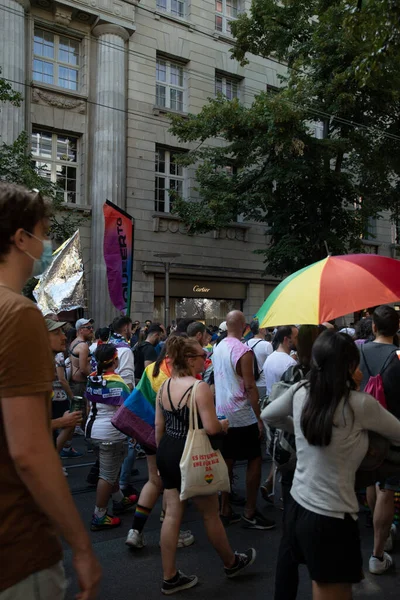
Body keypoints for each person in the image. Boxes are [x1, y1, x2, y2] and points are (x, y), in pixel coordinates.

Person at [0, 182, 100, 599]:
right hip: (16, 545)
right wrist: (81, 545)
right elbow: (29, 451)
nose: (47, 244)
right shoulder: (19, 314)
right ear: (21, 238)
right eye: (43, 231)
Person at [262, 330, 400, 600]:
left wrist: (300, 429)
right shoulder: (359, 404)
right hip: (332, 519)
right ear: (350, 366)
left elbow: (269, 414)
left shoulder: (302, 391)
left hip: (298, 508)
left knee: (320, 585)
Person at [155, 335, 257, 594]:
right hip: (191, 453)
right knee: (210, 513)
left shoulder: (165, 385)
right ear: (190, 360)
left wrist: (160, 458)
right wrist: (223, 425)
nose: (206, 359)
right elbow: (211, 427)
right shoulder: (198, 388)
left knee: (172, 514)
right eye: (202, 356)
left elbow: (159, 427)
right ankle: (231, 562)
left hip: (168, 449)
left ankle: (169, 576)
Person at [126, 342, 195, 550]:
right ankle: (172, 531)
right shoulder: (177, 377)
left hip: (145, 431)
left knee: (153, 481)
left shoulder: (151, 369)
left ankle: (135, 531)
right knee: (170, 486)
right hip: (169, 437)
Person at [212, 310, 275, 529]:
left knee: (227, 461)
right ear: (244, 326)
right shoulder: (244, 351)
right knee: (255, 459)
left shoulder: (218, 347)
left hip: (222, 413)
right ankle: (249, 511)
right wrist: (259, 418)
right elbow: (250, 387)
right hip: (241, 415)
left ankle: (225, 508)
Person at [359, 304, 400, 574]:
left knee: (372, 479)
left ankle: (380, 532)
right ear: (397, 329)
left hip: (363, 427)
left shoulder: (357, 350)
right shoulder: (398, 356)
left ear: (373, 326)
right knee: (388, 487)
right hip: (393, 429)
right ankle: (377, 552)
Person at [86, 343, 138, 530]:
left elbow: (87, 404)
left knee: (110, 468)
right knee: (107, 475)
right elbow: (126, 410)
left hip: (92, 431)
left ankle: (119, 499)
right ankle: (99, 515)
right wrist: (133, 432)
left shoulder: (92, 378)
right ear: (115, 361)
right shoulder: (118, 381)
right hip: (111, 433)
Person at [46, 318, 83, 465]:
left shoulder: (48, 367)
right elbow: (24, 427)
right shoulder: (33, 373)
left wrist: (67, 423)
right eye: (56, 333)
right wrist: (62, 421)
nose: (64, 337)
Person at [263, 325, 299, 396]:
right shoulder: (290, 363)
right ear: (286, 339)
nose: (298, 340)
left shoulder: (269, 358)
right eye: (296, 338)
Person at [245, 319, 273, 400]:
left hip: (250, 382)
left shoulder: (245, 344)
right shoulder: (267, 345)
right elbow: (270, 365)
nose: (266, 329)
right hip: (263, 383)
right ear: (260, 329)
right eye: (264, 327)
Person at [69, 317, 94, 397]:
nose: (92, 330)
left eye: (92, 327)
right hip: (80, 385)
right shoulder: (83, 346)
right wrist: (93, 378)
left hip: (76, 383)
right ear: (80, 330)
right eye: (88, 328)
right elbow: (83, 369)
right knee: (81, 409)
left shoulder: (74, 342)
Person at [109, 316, 135, 391]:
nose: (132, 331)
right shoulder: (125, 351)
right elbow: (127, 383)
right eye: (131, 328)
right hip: (120, 398)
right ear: (126, 328)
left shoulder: (106, 346)